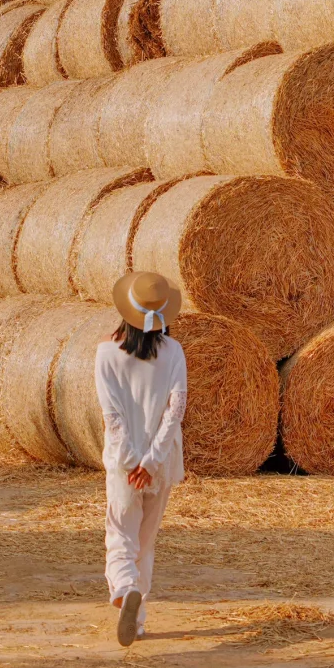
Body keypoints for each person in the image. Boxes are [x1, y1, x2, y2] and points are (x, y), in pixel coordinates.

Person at [94, 270, 187, 647]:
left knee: (121, 535)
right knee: (145, 543)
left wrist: (132, 462)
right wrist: (151, 462)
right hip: (160, 465)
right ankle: (140, 617)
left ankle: (125, 590)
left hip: (123, 466)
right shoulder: (174, 352)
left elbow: (112, 417)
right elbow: (175, 410)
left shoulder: (106, 354)